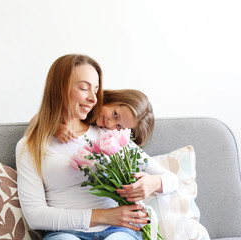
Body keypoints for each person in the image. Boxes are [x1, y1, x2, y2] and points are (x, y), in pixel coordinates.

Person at [16, 54, 178, 240]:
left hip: (119, 230)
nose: (93, 99)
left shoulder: (111, 138)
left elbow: (173, 179)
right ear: (59, 87)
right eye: (84, 88)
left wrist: (153, 182)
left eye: (96, 90)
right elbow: (35, 216)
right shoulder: (30, 145)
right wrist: (104, 215)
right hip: (64, 232)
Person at [55, 89, 154, 147]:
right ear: (112, 100)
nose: (110, 123)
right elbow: (42, 118)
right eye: (115, 115)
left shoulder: (106, 138)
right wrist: (55, 127)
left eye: (119, 127)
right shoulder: (83, 101)